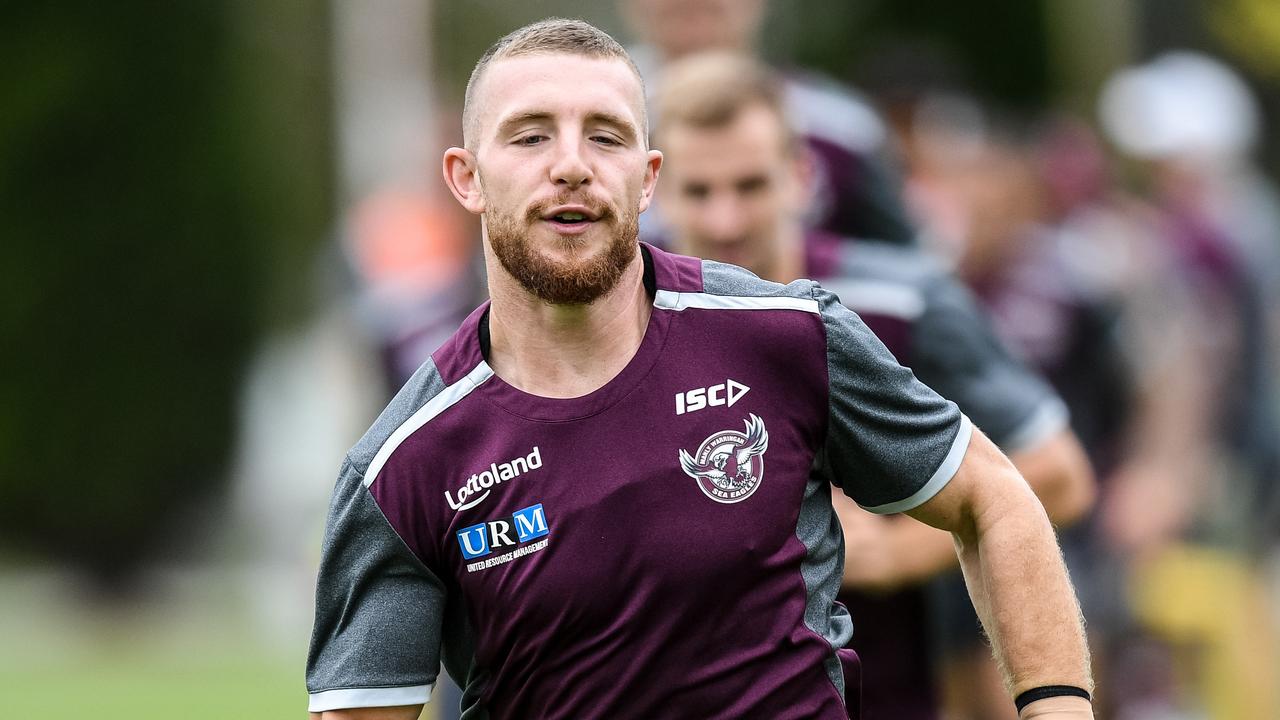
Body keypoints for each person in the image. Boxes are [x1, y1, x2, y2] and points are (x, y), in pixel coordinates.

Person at [306, 18, 1094, 719]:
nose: (573, 164)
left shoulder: (790, 336)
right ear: (465, 177)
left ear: (648, 179)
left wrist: (1055, 706)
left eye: (607, 136)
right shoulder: (401, 467)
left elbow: (998, 497)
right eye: (531, 135)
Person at [652, 51, 1095, 720]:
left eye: (750, 186)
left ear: (802, 179)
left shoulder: (900, 304)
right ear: (654, 189)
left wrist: (894, 550)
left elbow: (1059, 474)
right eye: (699, 191)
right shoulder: (623, 325)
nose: (725, 221)